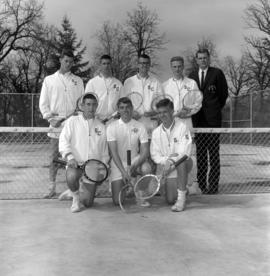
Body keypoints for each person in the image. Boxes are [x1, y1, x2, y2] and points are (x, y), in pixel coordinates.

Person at [39, 49, 84, 198]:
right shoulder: (49, 80)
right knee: (54, 158)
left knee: (73, 158)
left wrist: (77, 118)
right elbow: (43, 103)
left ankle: (73, 188)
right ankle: (51, 187)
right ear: (60, 60)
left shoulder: (78, 81)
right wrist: (50, 119)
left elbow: (81, 104)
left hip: (73, 125)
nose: (68, 64)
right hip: (56, 126)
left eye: (71, 62)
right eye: (66, 61)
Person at [59, 93, 109, 212]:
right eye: (88, 104)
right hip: (75, 164)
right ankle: (75, 198)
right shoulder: (72, 121)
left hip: (92, 166)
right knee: (71, 177)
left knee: (87, 203)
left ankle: (73, 191)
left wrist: (104, 166)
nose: (91, 108)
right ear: (82, 106)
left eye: (93, 105)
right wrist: (70, 158)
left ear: (97, 106)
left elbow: (104, 151)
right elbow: (63, 141)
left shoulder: (101, 126)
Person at [189, 48, 228, 194]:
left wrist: (214, 109)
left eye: (205, 58)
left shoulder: (217, 73)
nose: (202, 60)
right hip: (198, 121)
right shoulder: (192, 76)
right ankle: (202, 185)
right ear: (196, 60)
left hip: (213, 122)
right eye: (200, 58)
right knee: (200, 155)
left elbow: (223, 95)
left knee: (213, 154)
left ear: (209, 58)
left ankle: (213, 185)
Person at [106, 97, 152, 206]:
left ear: (132, 108)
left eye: (128, 107)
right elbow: (113, 153)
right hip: (118, 164)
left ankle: (140, 195)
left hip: (135, 160)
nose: (125, 110)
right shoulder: (111, 127)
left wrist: (134, 166)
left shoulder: (140, 126)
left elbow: (145, 151)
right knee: (118, 202)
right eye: (122, 107)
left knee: (146, 168)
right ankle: (126, 186)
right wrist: (123, 172)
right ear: (118, 110)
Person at [150, 98, 193, 212]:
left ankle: (181, 200)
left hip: (183, 163)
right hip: (167, 167)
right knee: (169, 200)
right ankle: (183, 188)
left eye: (165, 111)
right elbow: (155, 155)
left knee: (182, 162)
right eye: (160, 112)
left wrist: (170, 161)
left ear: (172, 111)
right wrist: (166, 163)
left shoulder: (182, 127)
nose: (162, 115)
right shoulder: (156, 133)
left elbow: (185, 151)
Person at [123, 54, 163, 138]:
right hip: (133, 122)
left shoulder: (156, 82)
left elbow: (161, 103)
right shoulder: (129, 81)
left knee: (149, 150)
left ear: (149, 65)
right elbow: (123, 102)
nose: (144, 65)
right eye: (141, 63)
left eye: (146, 63)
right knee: (133, 150)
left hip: (150, 124)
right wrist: (131, 112)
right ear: (138, 64)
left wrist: (154, 112)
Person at [162, 56, 202, 130]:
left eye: (179, 66)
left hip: (186, 123)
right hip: (170, 123)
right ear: (171, 67)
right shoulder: (165, 85)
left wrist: (188, 112)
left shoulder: (192, 83)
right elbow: (161, 106)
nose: (177, 69)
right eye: (174, 67)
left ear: (183, 67)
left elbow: (198, 103)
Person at [85, 55, 123, 123]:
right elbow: (87, 103)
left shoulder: (118, 83)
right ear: (100, 65)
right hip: (96, 120)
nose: (106, 66)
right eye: (104, 63)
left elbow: (122, 102)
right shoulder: (92, 83)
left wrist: (119, 113)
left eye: (108, 63)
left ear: (111, 65)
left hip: (113, 120)